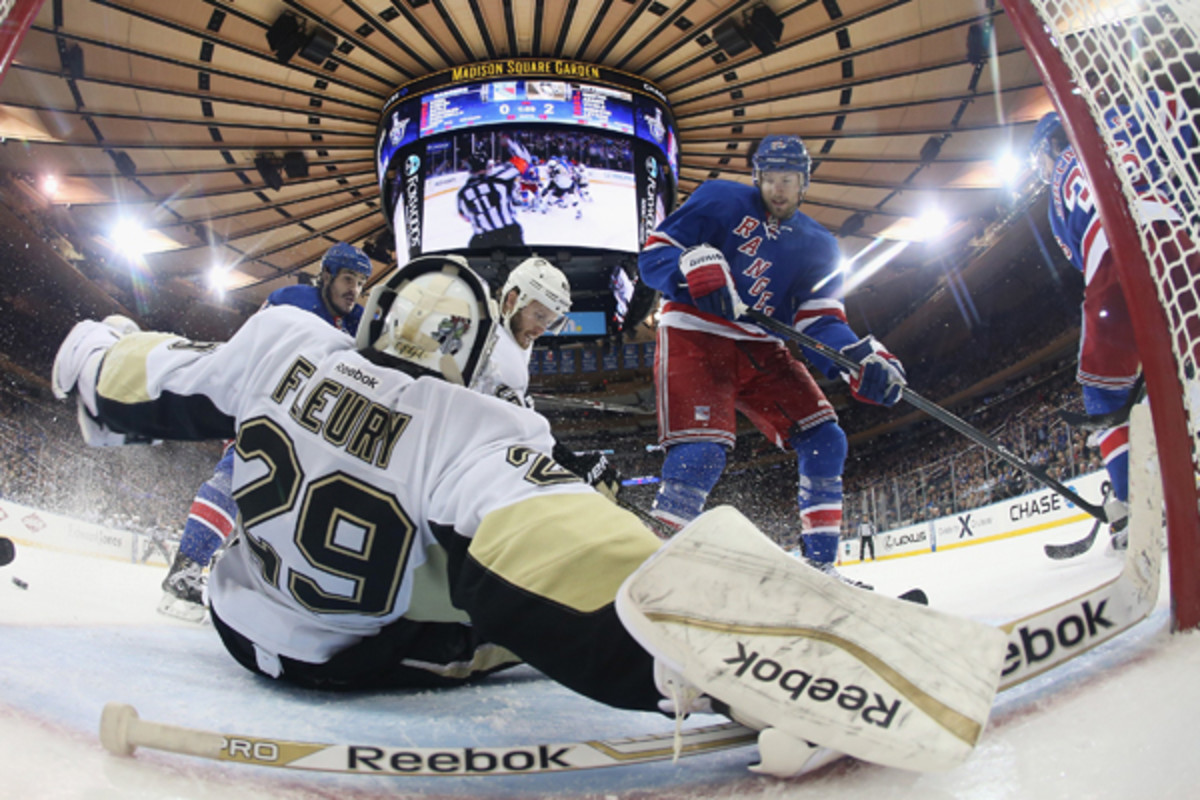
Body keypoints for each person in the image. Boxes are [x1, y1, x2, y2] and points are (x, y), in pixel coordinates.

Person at [51, 255, 996, 779]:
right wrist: (746, 661)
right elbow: (560, 559)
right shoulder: (471, 416)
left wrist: (100, 353)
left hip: (238, 617)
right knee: (501, 582)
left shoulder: (278, 341)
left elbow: (129, 384)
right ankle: (740, 649)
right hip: (348, 657)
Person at [637, 134, 908, 588]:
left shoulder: (819, 245)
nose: (778, 190)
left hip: (762, 345)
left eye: (789, 180)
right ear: (756, 177)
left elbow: (819, 320)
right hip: (694, 333)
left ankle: (820, 569)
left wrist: (859, 358)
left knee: (827, 438)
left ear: (804, 182)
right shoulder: (719, 198)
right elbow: (653, 256)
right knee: (702, 452)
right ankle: (656, 563)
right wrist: (689, 264)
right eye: (770, 179)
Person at [158, 242, 372, 621]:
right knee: (239, 473)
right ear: (325, 276)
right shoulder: (293, 300)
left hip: (304, 422)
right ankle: (185, 570)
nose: (353, 289)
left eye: (360, 282)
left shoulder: (355, 320)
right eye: (347, 279)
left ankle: (252, 590)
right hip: (262, 401)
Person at [1027, 100, 1196, 550]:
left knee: (1102, 392)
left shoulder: (1056, 193)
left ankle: (1133, 504)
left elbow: (1083, 257)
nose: (1042, 168)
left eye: (1039, 157)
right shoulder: (1120, 128)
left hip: (1112, 258)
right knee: (1191, 365)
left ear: (1049, 145)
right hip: (1177, 239)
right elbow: (1176, 123)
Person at [473, 255, 620, 500]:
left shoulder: (514, 335)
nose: (542, 329)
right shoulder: (493, 347)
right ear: (512, 300)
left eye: (550, 321)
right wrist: (573, 465)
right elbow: (522, 434)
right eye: (539, 316)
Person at [457, 146, 523, 248]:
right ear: (487, 167)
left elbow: (465, 217)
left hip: (483, 239)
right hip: (509, 233)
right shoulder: (500, 180)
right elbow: (523, 163)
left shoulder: (463, 193)